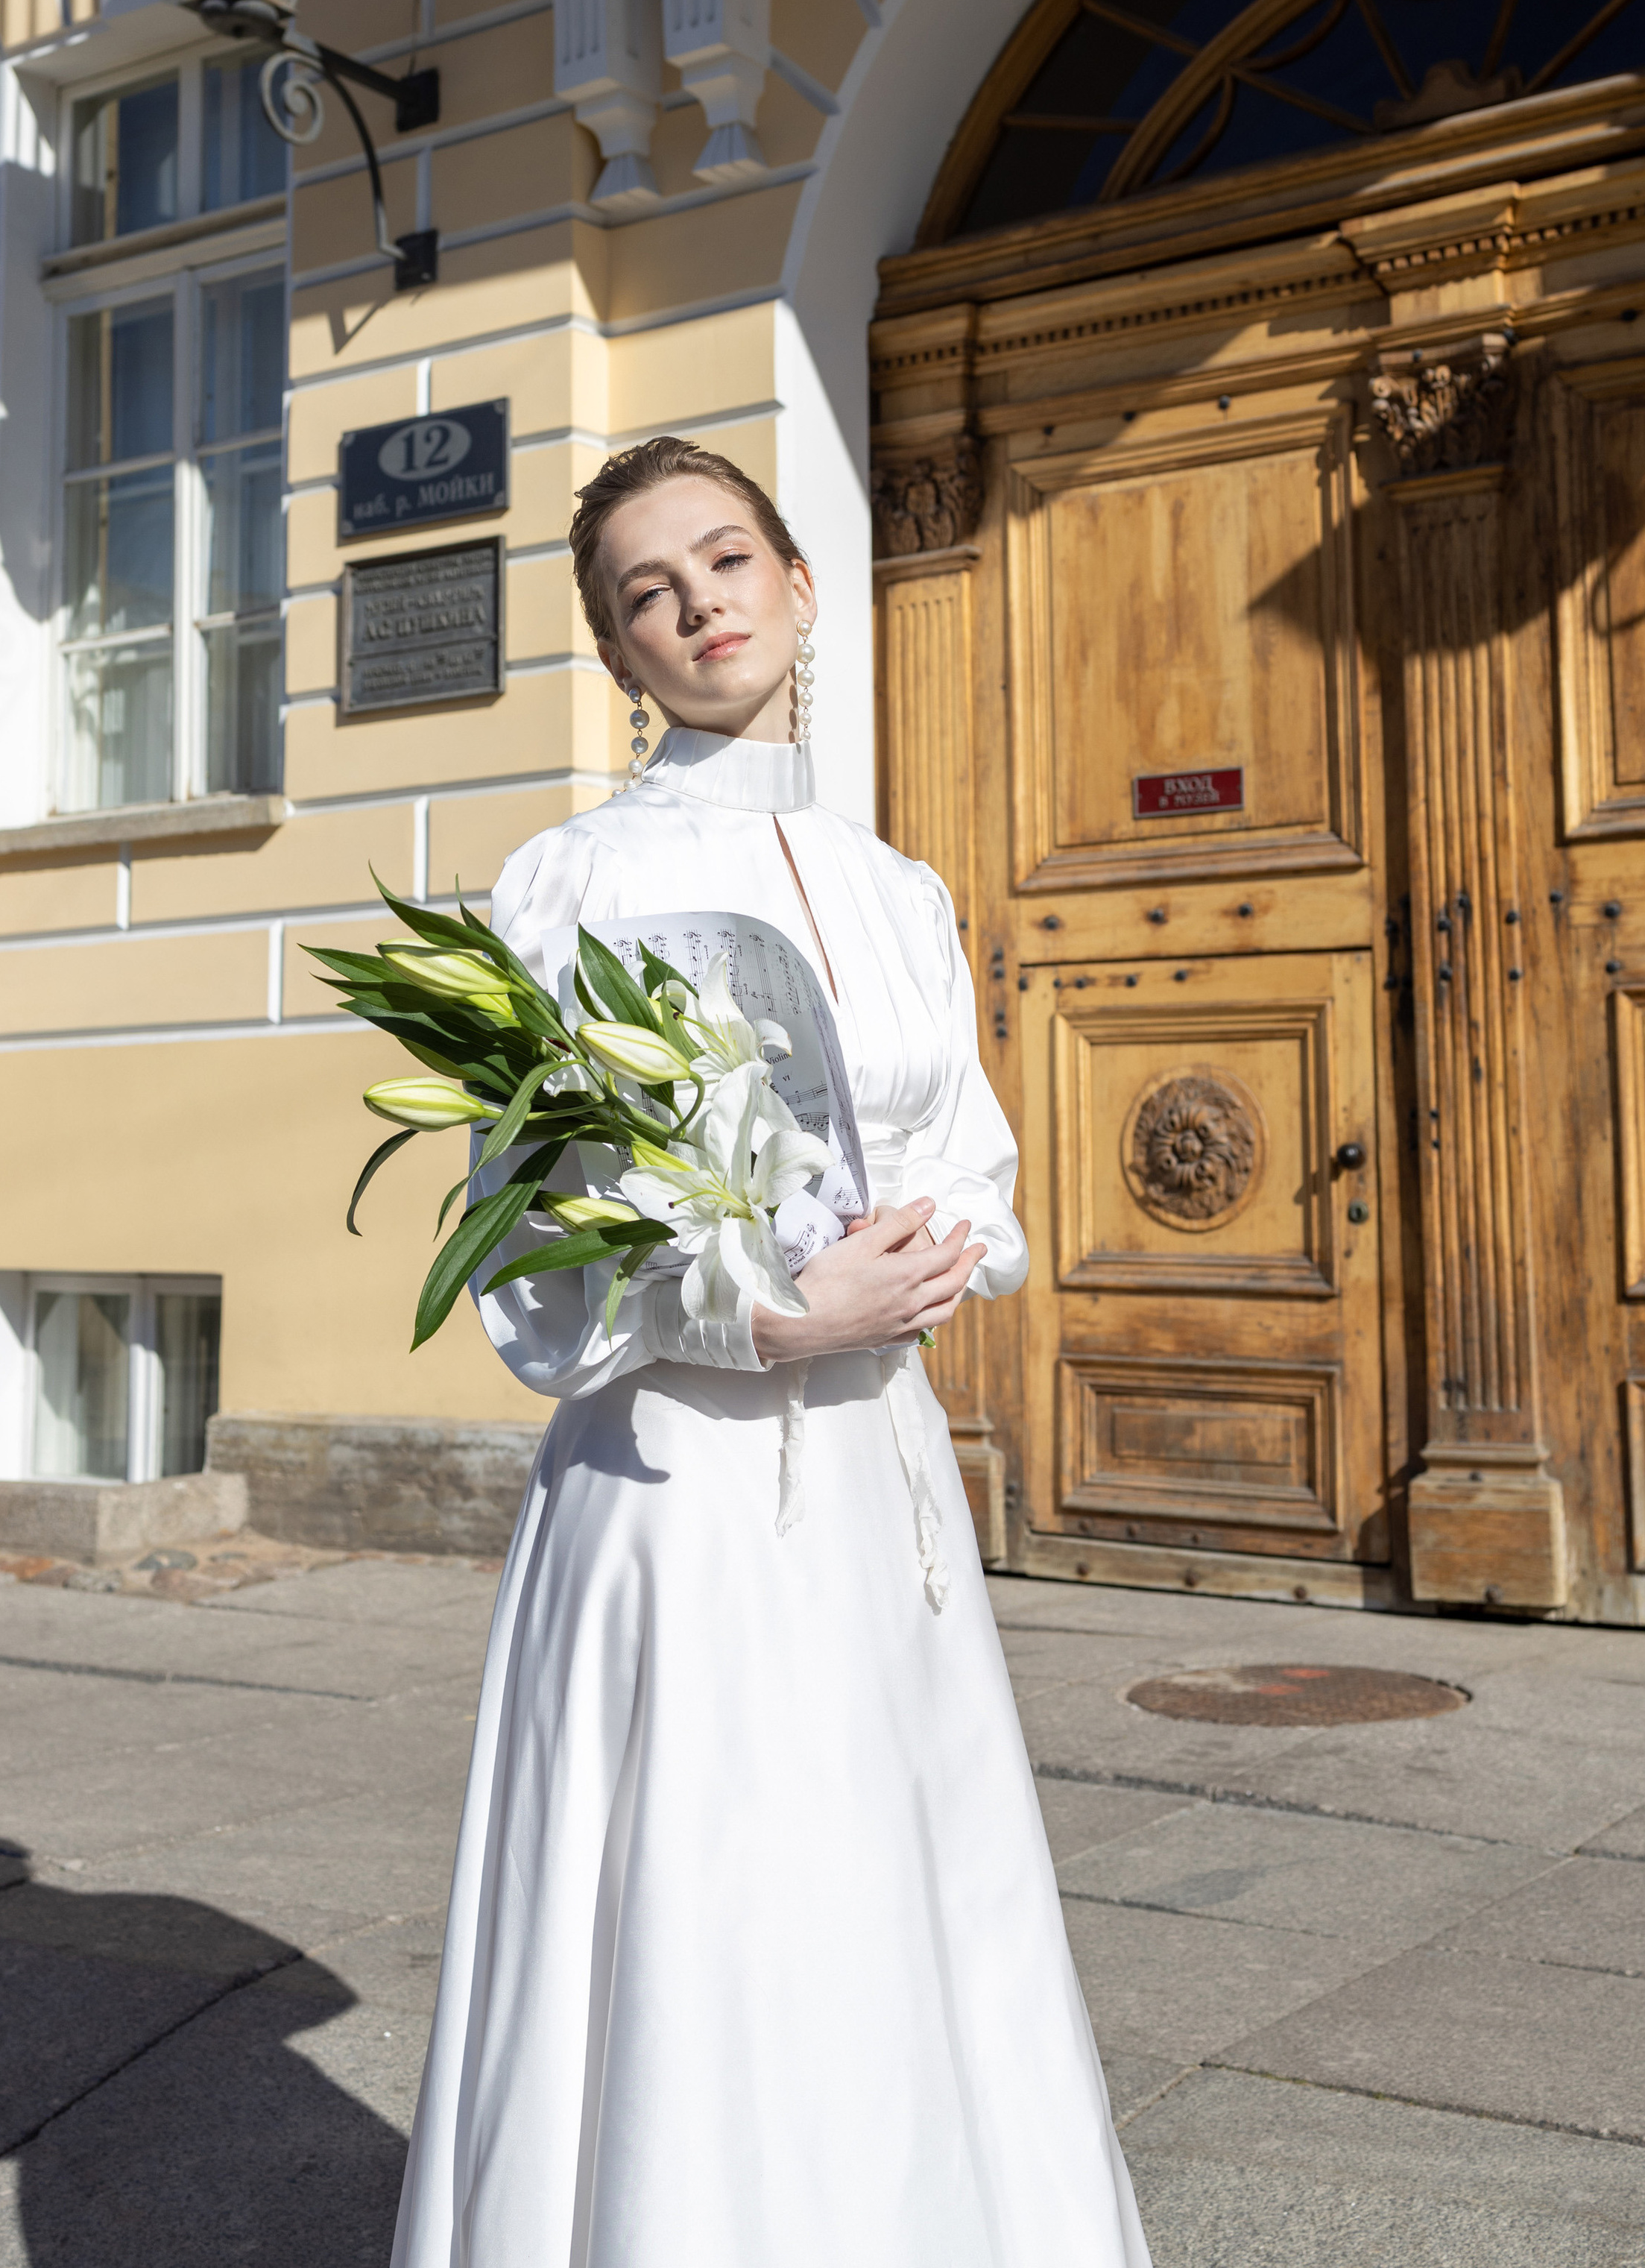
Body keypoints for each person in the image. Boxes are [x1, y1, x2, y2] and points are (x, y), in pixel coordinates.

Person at [390, 436, 1151, 2268]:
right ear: (619, 651)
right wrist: (752, 1309)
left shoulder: (898, 891)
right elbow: (524, 1248)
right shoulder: (562, 886)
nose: (698, 604)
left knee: (903, 1896)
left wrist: (929, 1256)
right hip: (684, 1492)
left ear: (802, 587)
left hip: (879, 1481)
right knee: (712, 1909)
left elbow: (971, 1148)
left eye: (725, 561)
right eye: (648, 592)